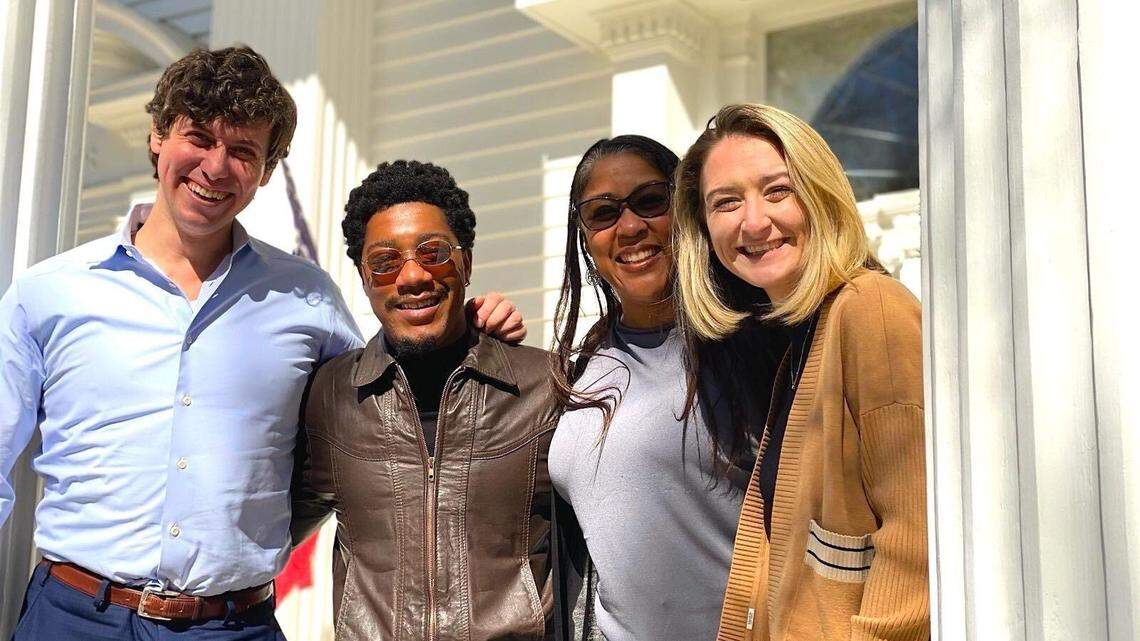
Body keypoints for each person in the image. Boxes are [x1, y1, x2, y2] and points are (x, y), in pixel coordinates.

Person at [0, 47, 522, 640]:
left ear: (267, 171)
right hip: (72, 618)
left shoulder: (307, 299)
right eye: (198, 138)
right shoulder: (49, 293)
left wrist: (470, 335)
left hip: (232, 625)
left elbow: (383, 405)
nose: (216, 167)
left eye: (243, 150)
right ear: (156, 137)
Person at [672, 103, 928, 640]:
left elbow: (917, 542)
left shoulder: (870, 310)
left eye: (777, 190)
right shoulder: (803, 338)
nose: (755, 221)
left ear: (819, 193)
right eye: (726, 202)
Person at [290, 160, 559, 641]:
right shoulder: (329, 398)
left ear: (467, 263)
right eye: (385, 261)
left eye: (433, 253)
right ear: (364, 276)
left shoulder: (547, 387)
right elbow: (261, 524)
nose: (412, 276)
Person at [546, 135, 783, 641]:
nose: (629, 227)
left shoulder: (755, 348)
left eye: (651, 202)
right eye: (603, 213)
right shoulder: (582, 366)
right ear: (585, 235)